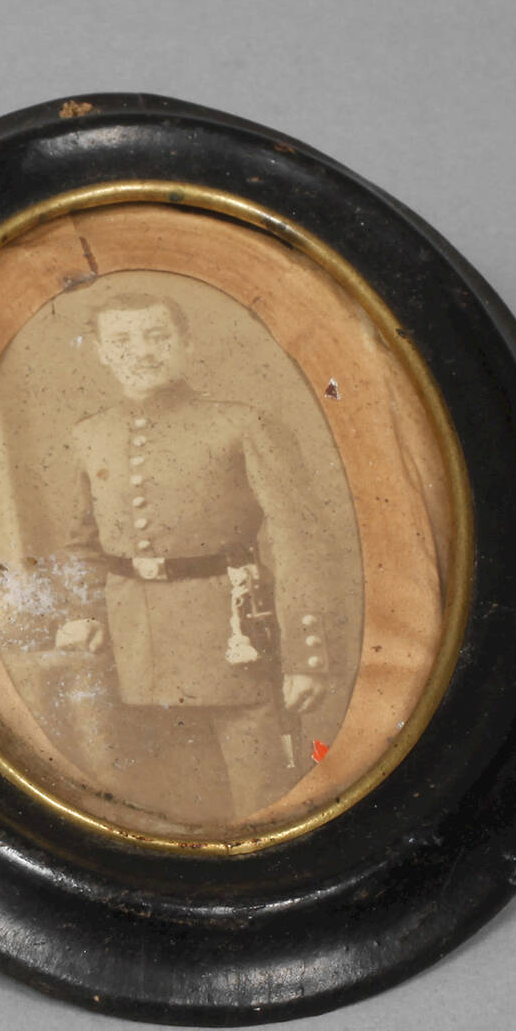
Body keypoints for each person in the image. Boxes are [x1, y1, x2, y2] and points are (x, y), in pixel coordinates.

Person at [54, 296, 328, 817]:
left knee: (260, 803)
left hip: (232, 649)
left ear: (186, 344)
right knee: (168, 811)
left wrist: (305, 657)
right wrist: (84, 613)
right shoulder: (90, 435)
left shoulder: (241, 425)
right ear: (101, 353)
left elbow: (299, 540)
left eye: (157, 337)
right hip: (132, 656)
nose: (141, 352)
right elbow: (82, 543)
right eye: (122, 341)